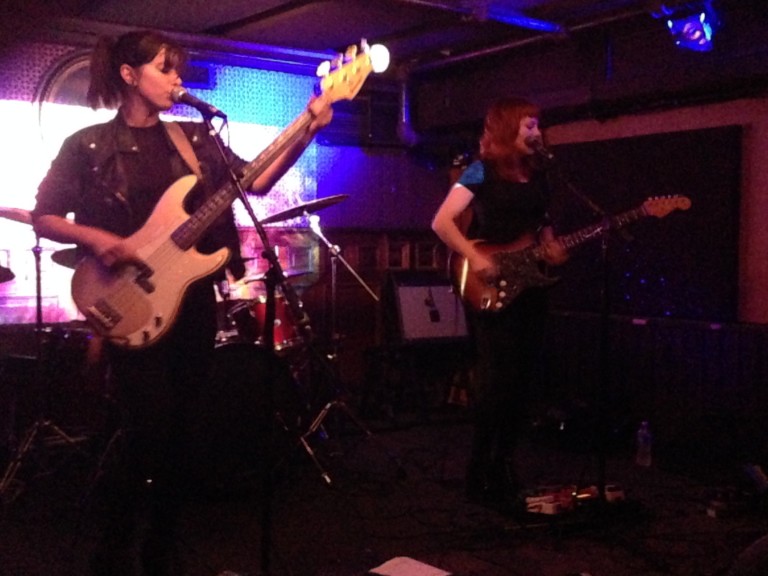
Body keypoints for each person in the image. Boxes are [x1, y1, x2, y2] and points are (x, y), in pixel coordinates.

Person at [32, 29, 332, 576]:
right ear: (129, 75)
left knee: (182, 432)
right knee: (147, 430)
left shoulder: (193, 138)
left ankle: (160, 551)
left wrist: (308, 127)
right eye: (164, 68)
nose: (177, 79)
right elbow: (45, 216)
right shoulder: (88, 144)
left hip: (191, 304)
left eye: (178, 69)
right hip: (125, 299)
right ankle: (112, 551)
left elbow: (257, 181)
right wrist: (100, 239)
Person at [431, 96, 567, 509]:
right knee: (497, 378)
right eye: (528, 125)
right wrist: (474, 257)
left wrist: (552, 249)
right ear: (508, 129)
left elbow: (542, 226)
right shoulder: (480, 170)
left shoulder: (539, 175)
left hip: (531, 286)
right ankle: (480, 467)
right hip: (490, 281)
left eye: (537, 125)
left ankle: (504, 462)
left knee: (524, 379)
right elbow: (441, 222)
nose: (536, 132)